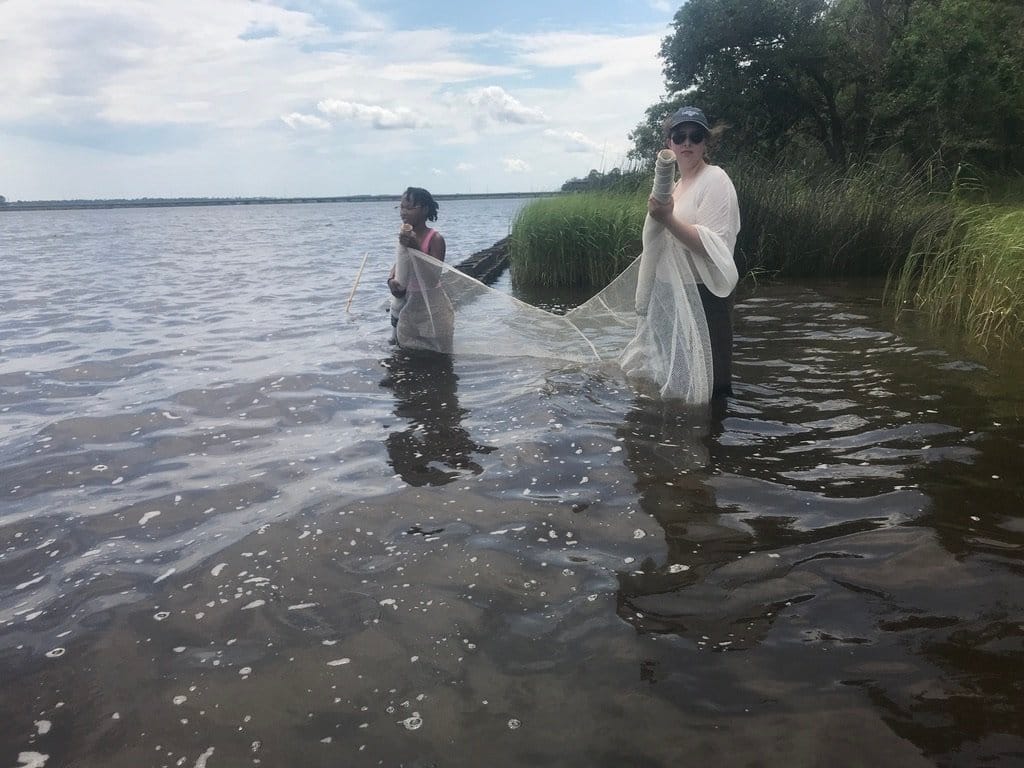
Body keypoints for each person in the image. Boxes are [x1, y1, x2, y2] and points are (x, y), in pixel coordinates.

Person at [646, 106, 742, 398]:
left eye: (696, 136)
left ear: (705, 142)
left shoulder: (715, 179)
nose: (687, 142)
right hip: (675, 294)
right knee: (681, 379)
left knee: (712, 386)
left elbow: (715, 247)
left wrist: (668, 220)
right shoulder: (675, 186)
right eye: (680, 136)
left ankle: (714, 440)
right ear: (669, 144)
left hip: (706, 296)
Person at [387, 187, 453, 351]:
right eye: (401, 207)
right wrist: (391, 281)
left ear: (424, 210)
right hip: (409, 304)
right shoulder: (405, 237)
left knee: (438, 354)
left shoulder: (435, 239)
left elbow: (432, 278)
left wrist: (416, 247)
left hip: (432, 308)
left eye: (409, 208)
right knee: (403, 350)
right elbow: (399, 263)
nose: (403, 212)